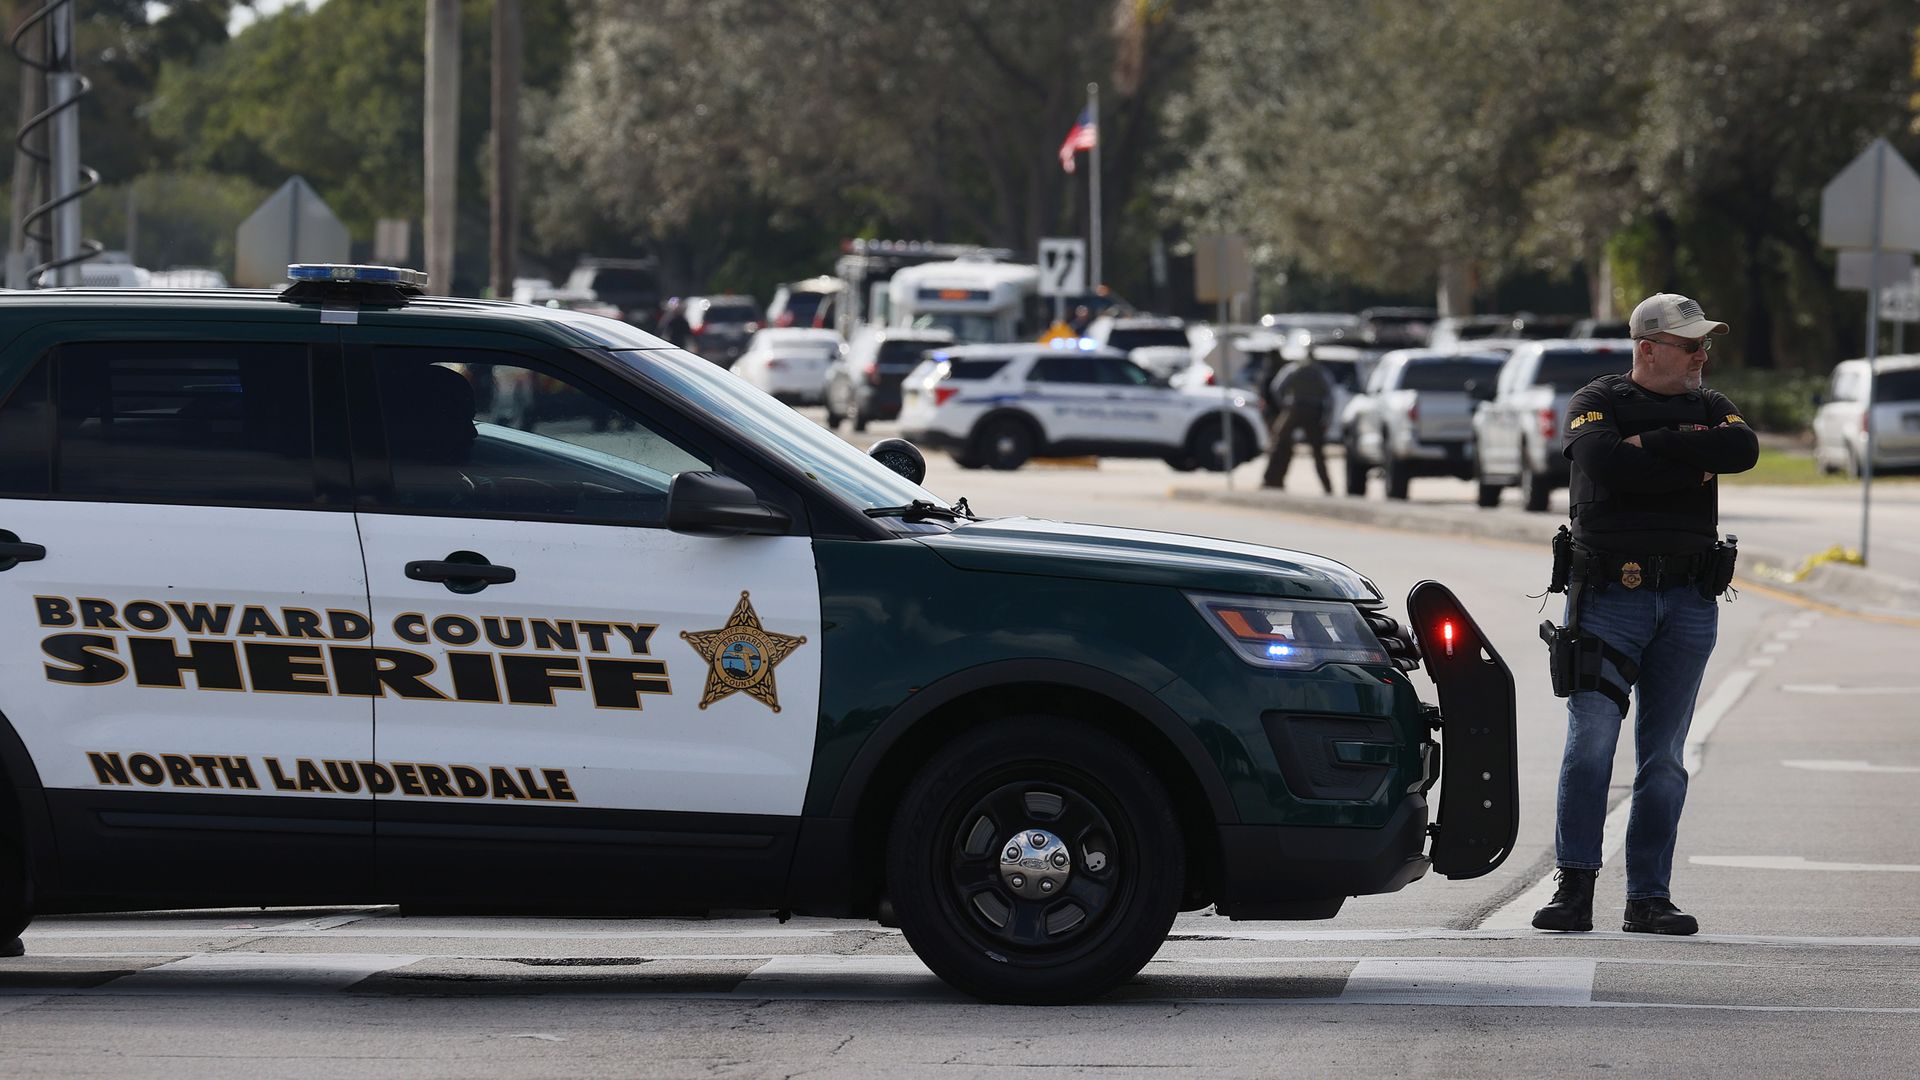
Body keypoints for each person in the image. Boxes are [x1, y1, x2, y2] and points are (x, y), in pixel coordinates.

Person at [1532, 292, 1758, 936]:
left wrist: (1655, 444)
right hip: (1608, 601)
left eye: (1704, 345)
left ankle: (1648, 898)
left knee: (1663, 757)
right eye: (1691, 346)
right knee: (1593, 742)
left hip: (1688, 602)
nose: (1702, 356)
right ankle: (1574, 888)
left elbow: (1741, 449)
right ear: (1649, 347)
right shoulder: (1597, 401)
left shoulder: (1712, 408)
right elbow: (1605, 461)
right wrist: (1691, 460)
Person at [1261, 350, 1335, 491]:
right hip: (1312, 412)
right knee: (1313, 451)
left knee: (1280, 444)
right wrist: (1326, 418)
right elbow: (1330, 397)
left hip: (1295, 409)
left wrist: (1284, 406)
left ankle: (1271, 481)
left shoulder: (1293, 369)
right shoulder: (1320, 372)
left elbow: (1276, 388)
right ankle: (1327, 487)